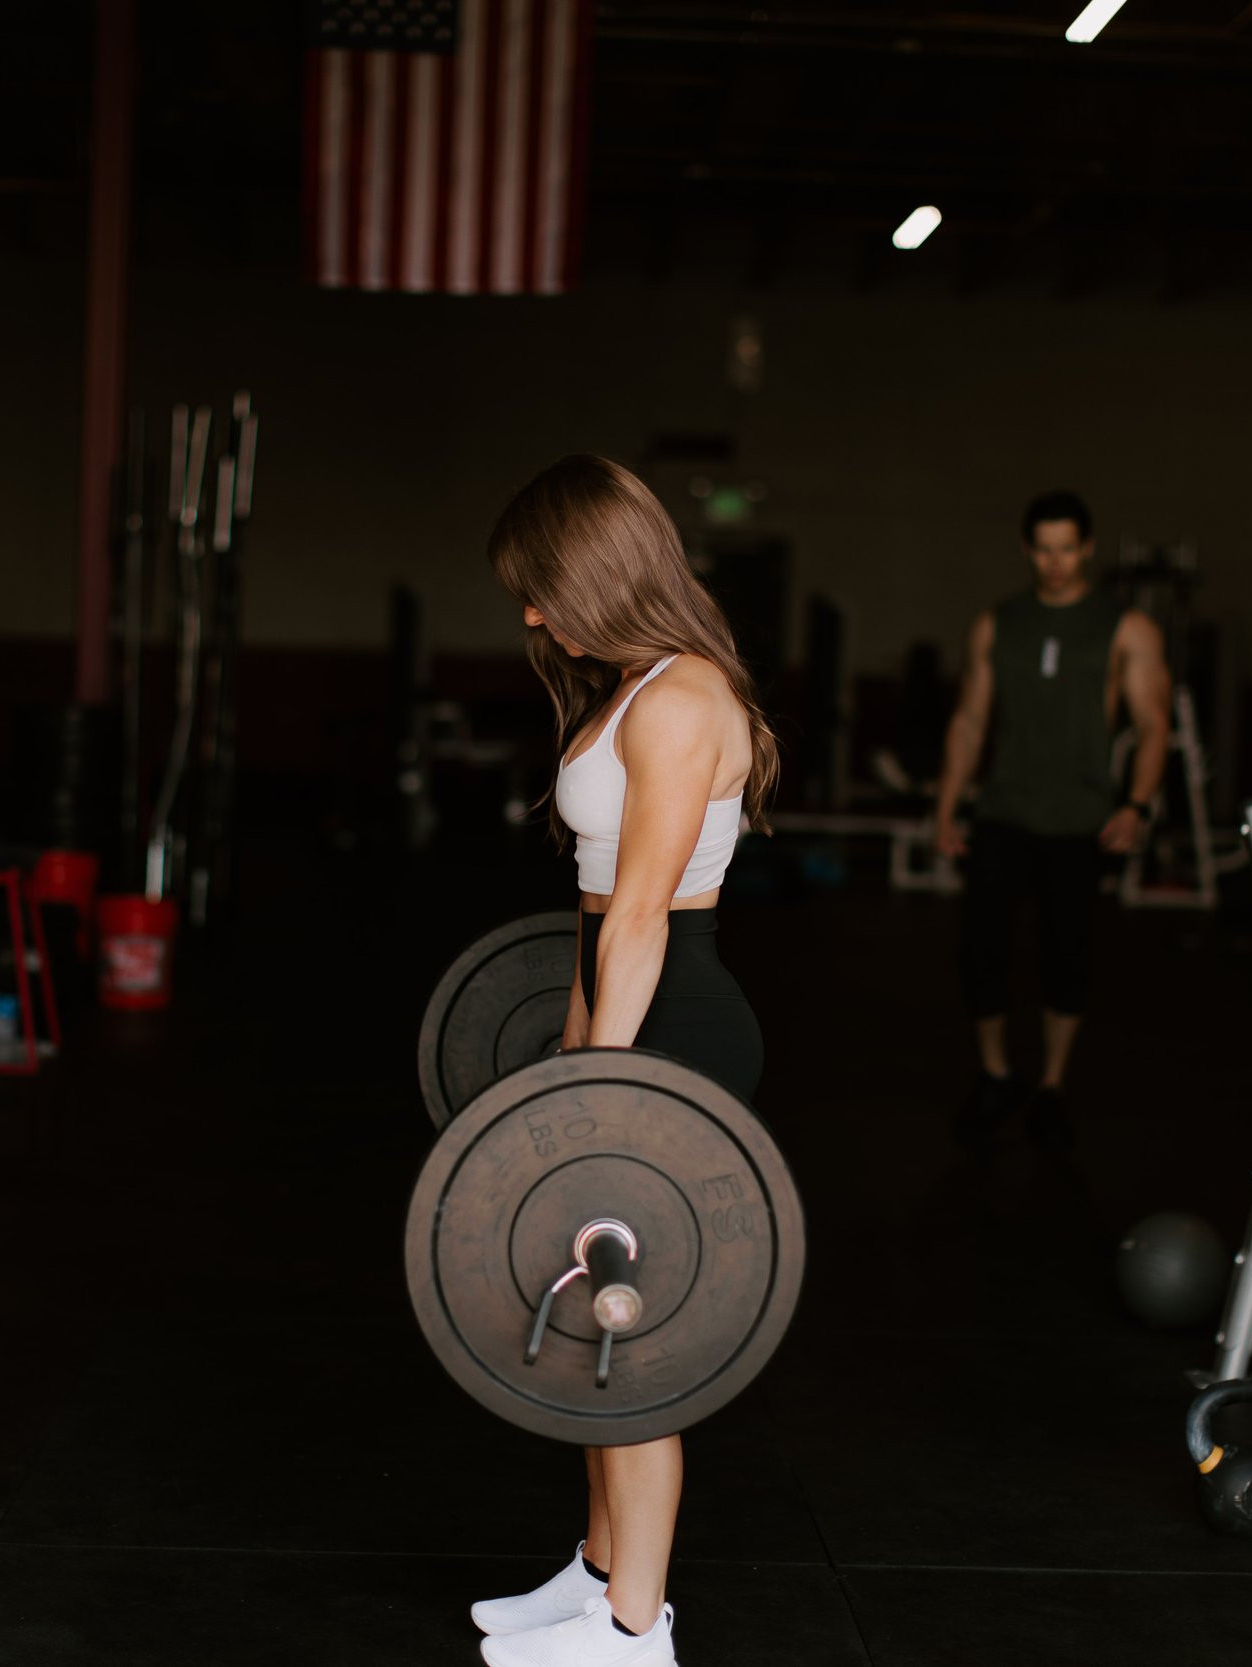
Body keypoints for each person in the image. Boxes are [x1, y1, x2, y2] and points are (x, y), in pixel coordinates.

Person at [468, 454, 779, 1667]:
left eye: (542, 590)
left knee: (626, 1336)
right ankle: (596, 1572)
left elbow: (643, 911)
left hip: (672, 1023)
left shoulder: (684, 697)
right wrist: (563, 1061)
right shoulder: (636, 682)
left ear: (597, 569)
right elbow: (598, 917)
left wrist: (603, 1076)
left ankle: (634, 1631)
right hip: (620, 1002)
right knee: (580, 1309)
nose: (535, 616)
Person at [933, 489, 1170, 1146]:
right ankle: (996, 1072)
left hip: (1081, 818)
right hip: (1005, 810)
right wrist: (947, 806)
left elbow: (1155, 725)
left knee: (1070, 956)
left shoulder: (1126, 628)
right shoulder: (997, 622)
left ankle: (1052, 1084)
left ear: (1087, 547)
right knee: (981, 949)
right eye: (1044, 549)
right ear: (1027, 550)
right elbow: (971, 718)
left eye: (1068, 548)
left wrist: (1136, 804)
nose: (1056, 561)